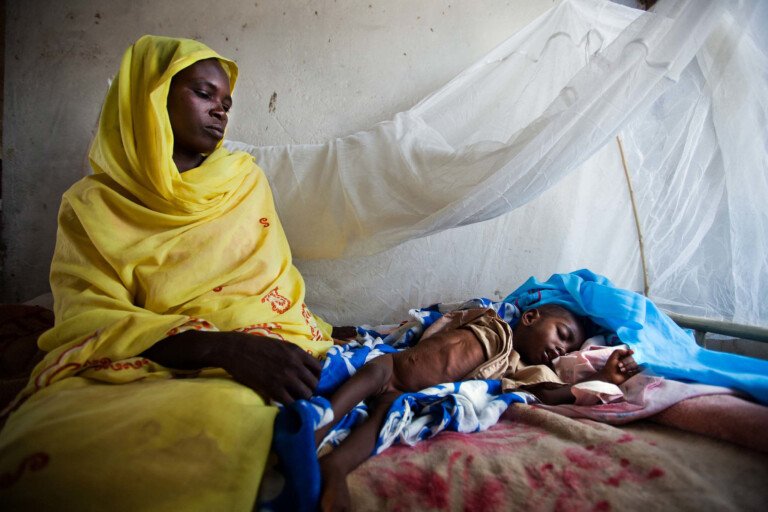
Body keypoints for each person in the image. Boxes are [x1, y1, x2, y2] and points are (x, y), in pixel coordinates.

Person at [0, 35, 338, 510]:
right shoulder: (90, 204)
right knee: (49, 440)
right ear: (150, 97)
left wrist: (244, 348)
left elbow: (268, 291)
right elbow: (86, 316)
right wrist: (217, 346)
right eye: (204, 94)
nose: (221, 111)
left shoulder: (243, 183)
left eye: (226, 103)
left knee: (220, 426)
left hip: (252, 350)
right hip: (145, 355)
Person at [315, 304, 639, 512]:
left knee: (383, 422)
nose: (560, 349)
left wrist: (600, 376)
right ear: (529, 317)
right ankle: (319, 427)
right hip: (392, 367)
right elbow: (436, 318)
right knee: (366, 375)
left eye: (567, 348)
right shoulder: (490, 320)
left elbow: (549, 392)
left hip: (407, 397)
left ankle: (338, 467)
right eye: (562, 335)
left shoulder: (517, 367)